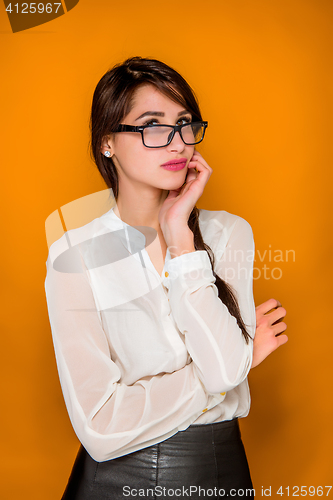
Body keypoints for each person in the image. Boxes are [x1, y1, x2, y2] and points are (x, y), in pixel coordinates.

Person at [44, 56, 288, 499]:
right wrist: (238, 361)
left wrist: (180, 239)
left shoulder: (228, 233)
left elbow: (224, 371)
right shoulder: (73, 255)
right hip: (115, 482)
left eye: (184, 124)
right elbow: (100, 426)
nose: (178, 143)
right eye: (152, 126)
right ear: (107, 144)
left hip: (221, 471)